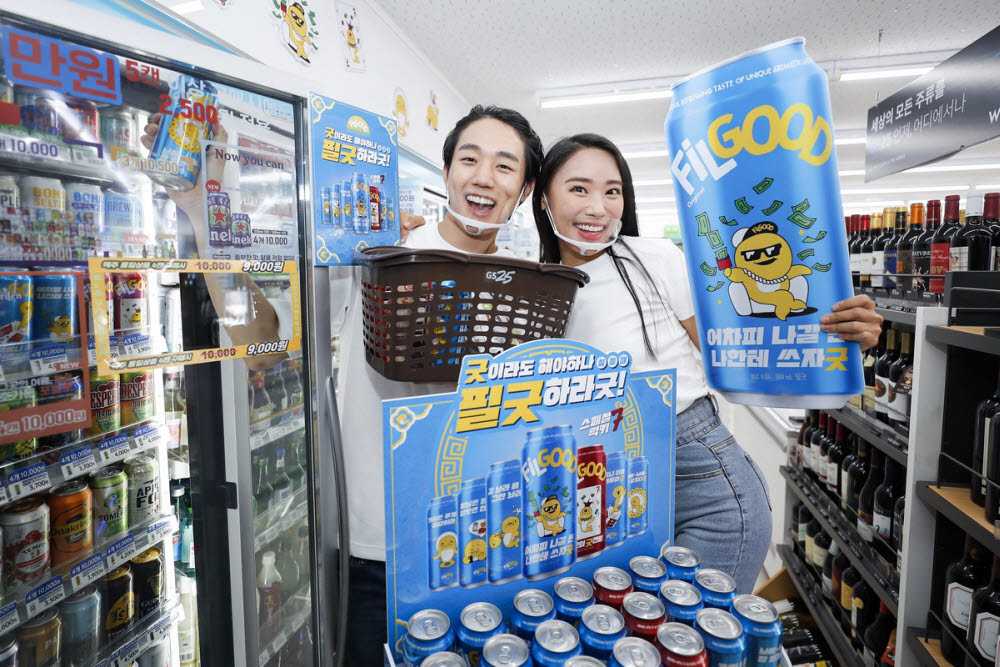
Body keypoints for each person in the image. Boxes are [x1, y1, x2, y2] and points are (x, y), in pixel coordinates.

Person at [531, 133, 882, 593]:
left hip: (703, 485)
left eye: (612, 191)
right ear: (543, 200)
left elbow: (749, 348)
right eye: (579, 189)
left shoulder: (653, 259)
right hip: (600, 486)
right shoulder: (532, 287)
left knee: (689, 646)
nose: (598, 207)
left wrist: (844, 335)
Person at [336, 105, 543, 664]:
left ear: (522, 190)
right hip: (374, 541)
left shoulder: (530, 291)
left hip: (482, 543)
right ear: (447, 172)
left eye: (505, 167)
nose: (482, 177)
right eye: (469, 159)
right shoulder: (378, 252)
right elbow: (265, 339)